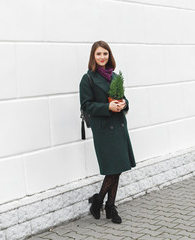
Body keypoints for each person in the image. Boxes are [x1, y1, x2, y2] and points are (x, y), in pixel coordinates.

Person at [79, 40, 136, 224]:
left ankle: (108, 205)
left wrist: (124, 104)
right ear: (93, 57)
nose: (102, 57)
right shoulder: (87, 79)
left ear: (109, 55)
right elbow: (86, 105)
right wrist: (107, 106)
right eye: (98, 54)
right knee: (112, 168)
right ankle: (101, 201)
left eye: (105, 53)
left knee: (117, 169)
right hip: (104, 130)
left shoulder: (115, 76)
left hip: (118, 126)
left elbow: (124, 98)